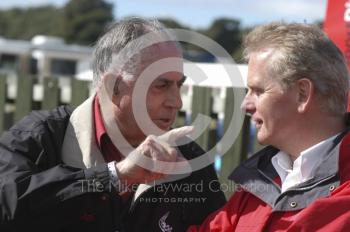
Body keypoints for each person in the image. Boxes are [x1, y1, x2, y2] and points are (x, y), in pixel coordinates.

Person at [0, 18, 225, 232]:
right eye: (162, 85)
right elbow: (6, 206)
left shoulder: (190, 161)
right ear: (114, 88)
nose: (177, 102)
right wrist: (116, 176)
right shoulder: (40, 137)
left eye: (179, 85)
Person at [188, 22, 350, 231]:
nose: (245, 104)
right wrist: (132, 183)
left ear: (302, 94)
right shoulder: (264, 179)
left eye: (258, 91)